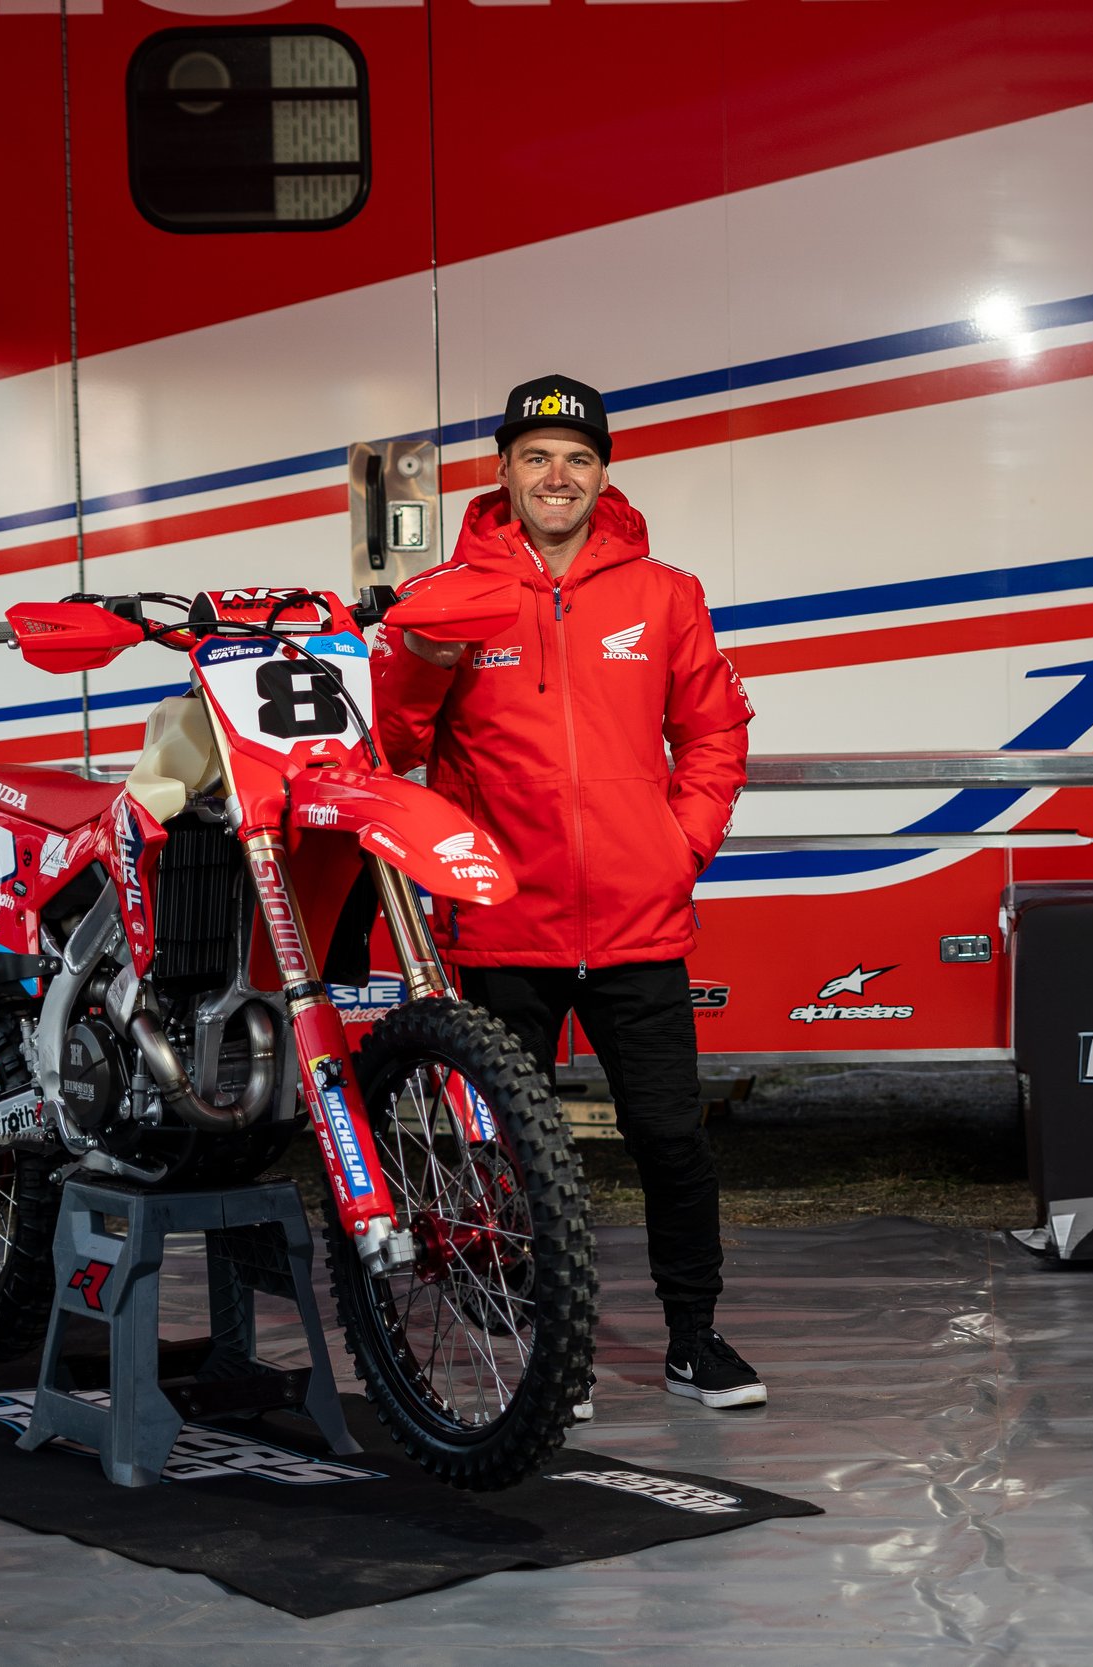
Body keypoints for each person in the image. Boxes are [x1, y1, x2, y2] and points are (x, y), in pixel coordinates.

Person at [374, 374, 763, 1415]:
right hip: (504, 918)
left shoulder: (664, 594)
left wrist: (678, 845)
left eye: (578, 457)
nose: (558, 475)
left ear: (602, 473)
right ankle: (543, 1344)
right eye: (537, 455)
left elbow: (716, 732)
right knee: (508, 1145)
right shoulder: (449, 594)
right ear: (502, 471)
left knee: (670, 1138)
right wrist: (417, 655)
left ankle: (694, 1337)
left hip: (640, 921)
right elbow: (399, 744)